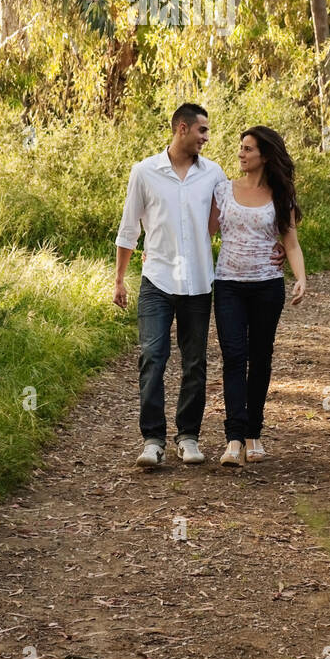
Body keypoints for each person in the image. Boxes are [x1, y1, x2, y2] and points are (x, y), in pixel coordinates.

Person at [114, 103, 227, 468]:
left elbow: (220, 221)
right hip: (157, 281)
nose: (206, 138)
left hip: (198, 281)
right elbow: (129, 228)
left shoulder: (213, 174)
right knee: (152, 357)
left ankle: (188, 436)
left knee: (195, 361)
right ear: (182, 128)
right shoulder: (145, 172)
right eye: (202, 131)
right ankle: (153, 439)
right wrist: (119, 279)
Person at [208, 125, 306, 467]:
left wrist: (301, 278)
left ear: (264, 156)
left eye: (248, 149)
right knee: (234, 357)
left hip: (267, 285)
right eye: (240, 147)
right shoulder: (222, 190)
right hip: (229, 285)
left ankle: (254, 435)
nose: (241, 153)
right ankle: (233, 439)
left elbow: (290, 241)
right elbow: (204, 234)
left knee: (261, 358)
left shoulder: (281, 194)